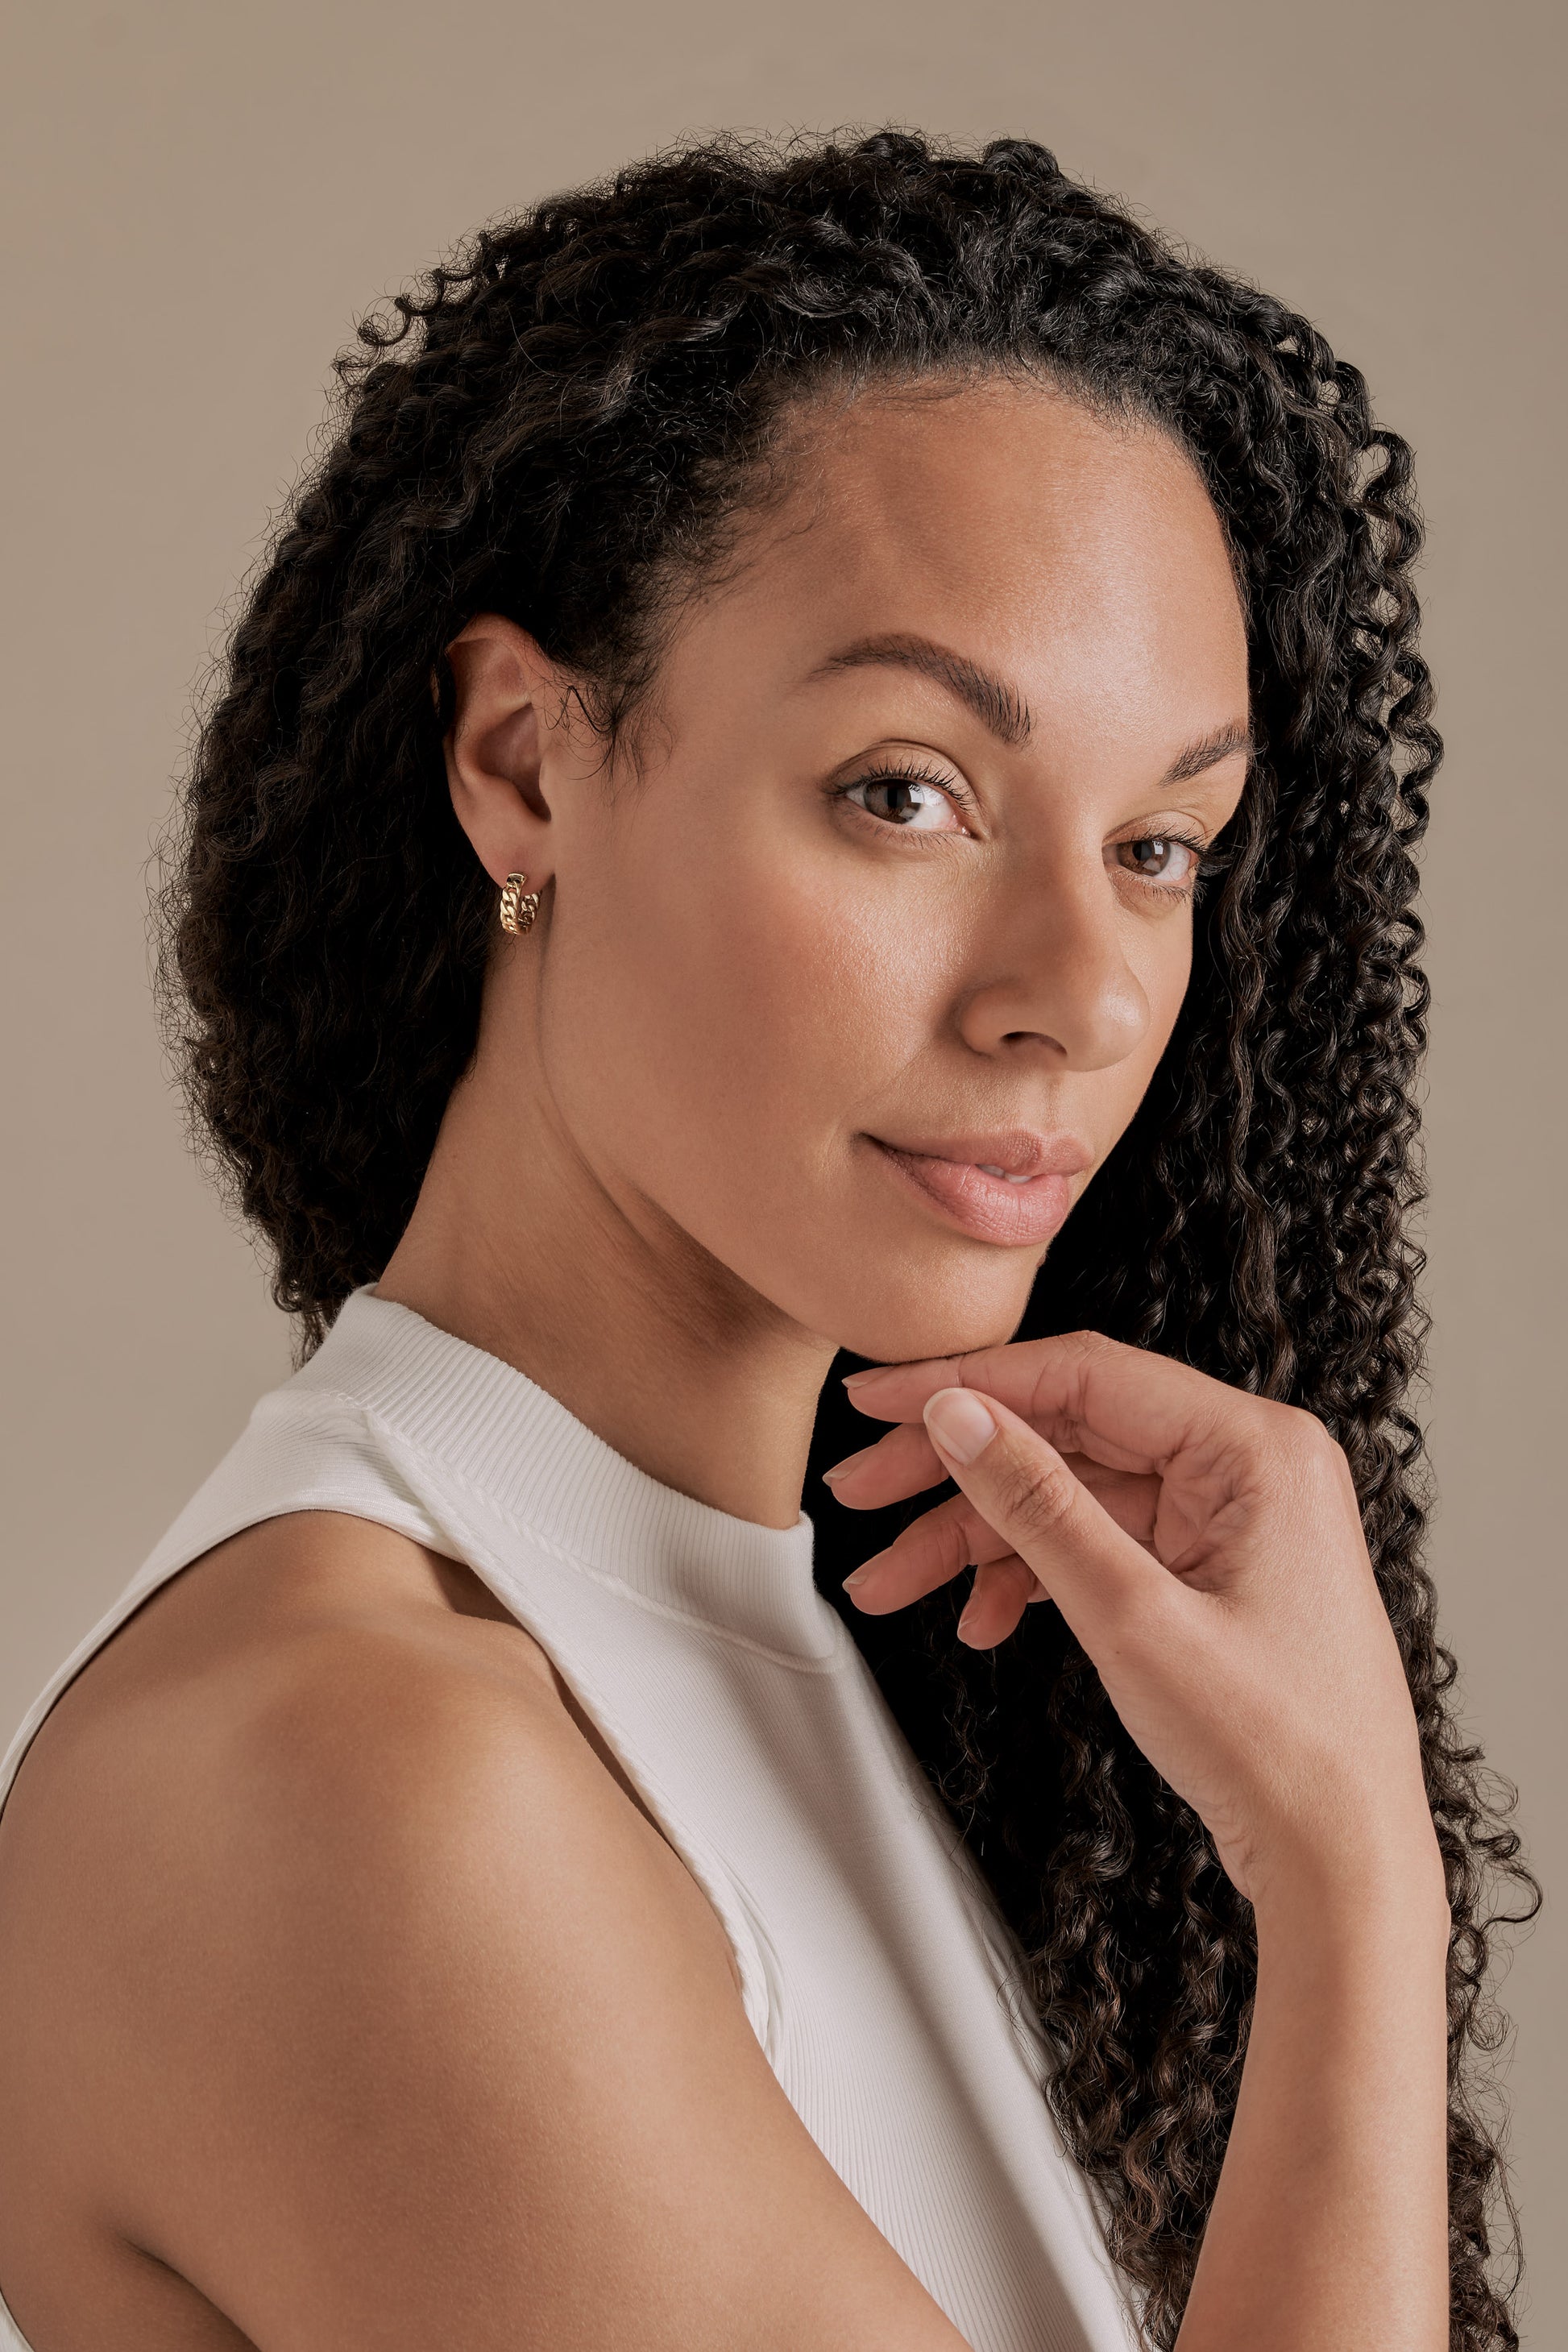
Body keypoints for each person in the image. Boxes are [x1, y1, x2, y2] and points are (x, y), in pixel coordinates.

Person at [0, 131, 1534, 2352]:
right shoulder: (352, 1775)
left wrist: (1333, 1865)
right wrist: (1354, 1885)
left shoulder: (807, 1679)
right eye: (907, 791)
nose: (1079, 994)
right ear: (524, 761)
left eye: (1159, 845)